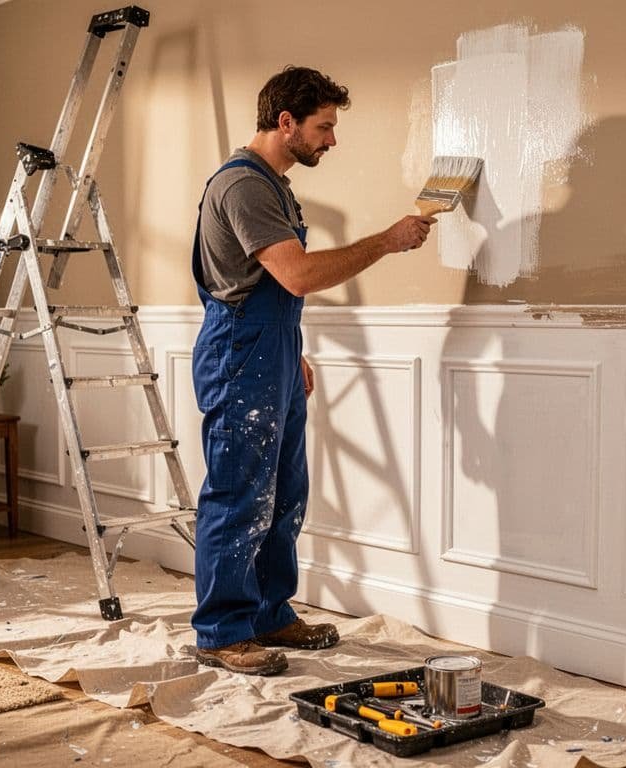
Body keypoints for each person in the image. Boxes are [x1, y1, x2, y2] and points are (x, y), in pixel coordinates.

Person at [189, 66, 435, 676]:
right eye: (324, 127)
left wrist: (289, 348)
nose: (331, 140)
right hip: (240, 357)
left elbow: (265, 282)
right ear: (286, 122)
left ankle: (269, 614)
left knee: (284, 493)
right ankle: (221, 631)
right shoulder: (244, 186)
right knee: (240, 494)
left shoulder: (274, 183)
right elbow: (296, 274)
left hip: (270, 351)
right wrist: (386, 241)